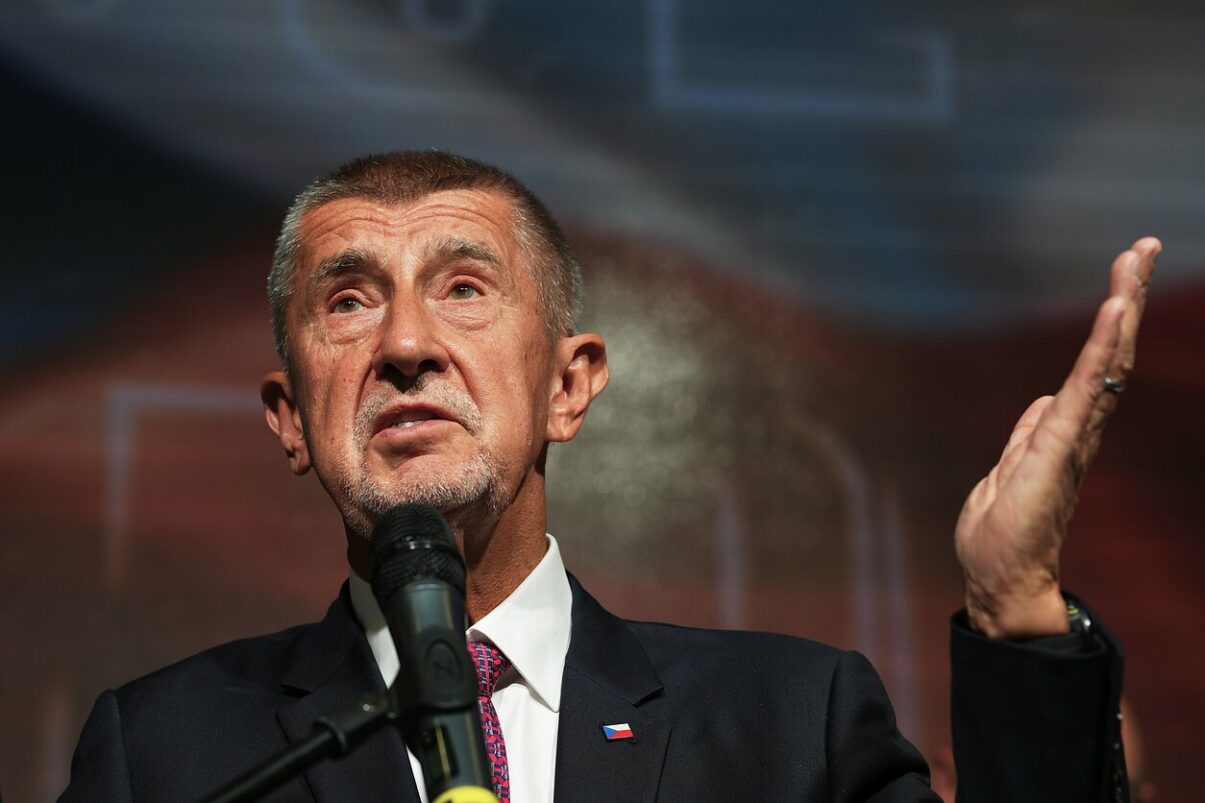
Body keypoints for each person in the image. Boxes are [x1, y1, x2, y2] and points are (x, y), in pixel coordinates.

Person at [60, 151, 1156, 802]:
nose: (405, 343)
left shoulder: (790, 725)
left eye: (463, 288)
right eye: (348, 301)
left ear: (568, 386)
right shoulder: (164, 752)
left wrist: (1015, 605)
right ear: (289, 417)